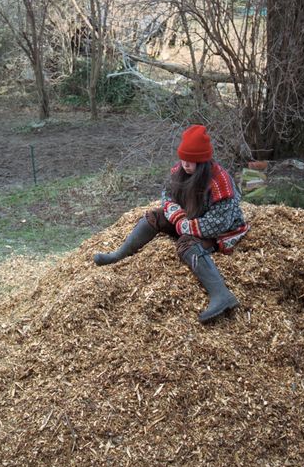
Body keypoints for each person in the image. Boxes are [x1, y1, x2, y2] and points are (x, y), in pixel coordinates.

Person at [93, 124, 250, 323]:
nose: (186, 164)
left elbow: (219, 223)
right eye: (184, 159)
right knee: (154, 216)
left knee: (187, 243)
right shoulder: (179, 171)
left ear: (203, 161)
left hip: (222, 231)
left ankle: (221, 294)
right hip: (188, 219)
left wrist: (186, 227)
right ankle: (119, 254)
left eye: (191, 161)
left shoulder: (220, 182)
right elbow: (167, 196)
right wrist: (177, 216)